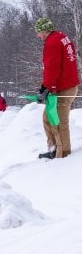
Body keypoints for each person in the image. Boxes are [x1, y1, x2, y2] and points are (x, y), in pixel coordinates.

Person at [35, 17, 80, 159]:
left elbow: (52, 67)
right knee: (48, 117)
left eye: (38, 32)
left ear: (44, 30)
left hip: (64, 87)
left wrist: (46, 87)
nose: (38, 36)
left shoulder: (52, 42)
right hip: (67, 85)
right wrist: (48, 87)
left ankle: (63, 155)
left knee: (59, 121)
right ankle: (54, 148)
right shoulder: (62, 38)